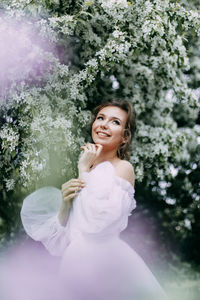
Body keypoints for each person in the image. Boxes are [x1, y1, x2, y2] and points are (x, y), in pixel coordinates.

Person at [20, 100, 168, 300]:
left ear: (124, 137)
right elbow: (63, 240)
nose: (104, 124)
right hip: (74, 263)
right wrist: (65, 202)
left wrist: (82, 171)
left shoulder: (122, 168)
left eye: (115, 122)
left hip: (105, 264)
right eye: (100, 118)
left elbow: (98, 225)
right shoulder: (90, 171)